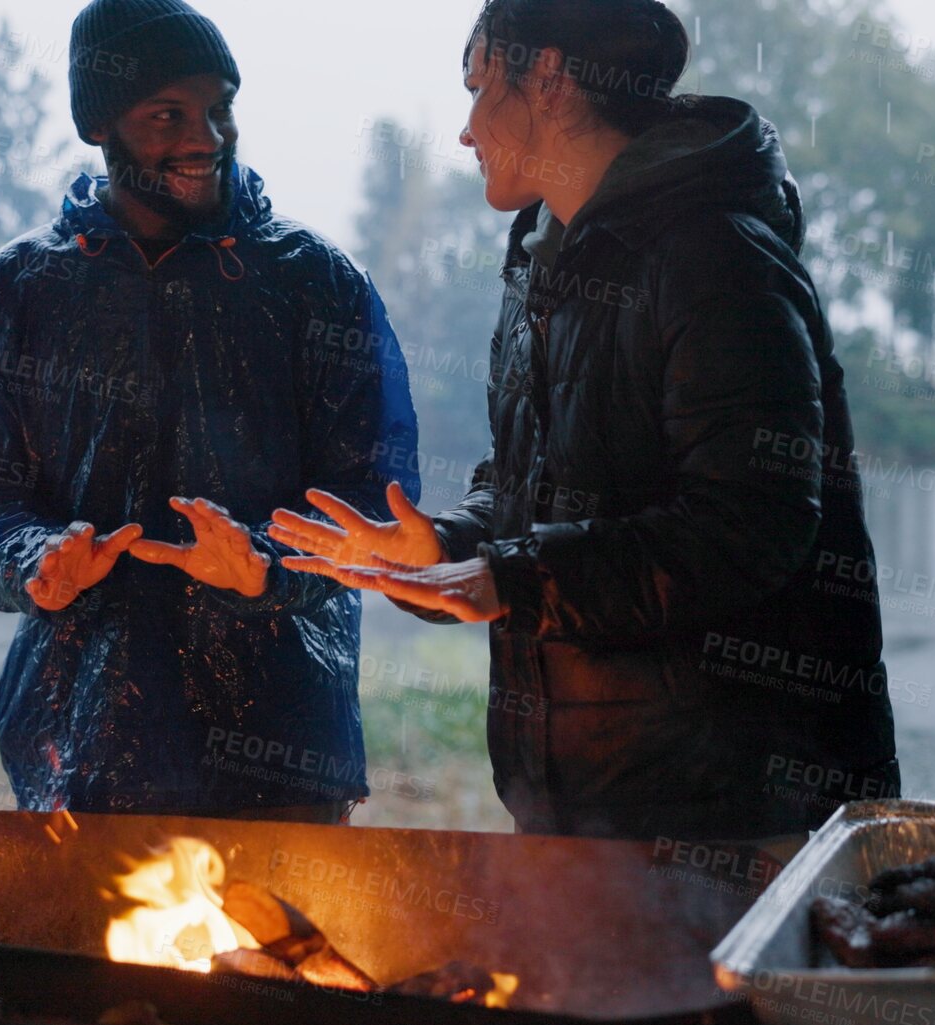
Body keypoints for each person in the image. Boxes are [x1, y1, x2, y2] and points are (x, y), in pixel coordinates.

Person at [271, 0, 897, 843]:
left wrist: (519, 578)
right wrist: (450, 546)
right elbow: (535, 489)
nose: (463, 131)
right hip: (583, 799)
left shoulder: (716, 260)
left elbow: (749, 523)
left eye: (478, 86)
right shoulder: (543, 258)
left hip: (732, 808)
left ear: (551, 78)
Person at [0, 0, 419, 823]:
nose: (207, 137)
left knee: (287, 951)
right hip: (82, 741)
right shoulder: (15, 289)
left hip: (285, 735)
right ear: (98, 126)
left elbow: (375, 499)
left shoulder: (315, 280)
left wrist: (264, 566)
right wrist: (35, 561)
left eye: (219, 108)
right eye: (167, 114)